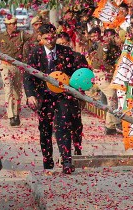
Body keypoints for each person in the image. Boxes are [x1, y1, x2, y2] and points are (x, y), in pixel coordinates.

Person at [24, 23, 87, 174]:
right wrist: (30, 95)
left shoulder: (66, 52)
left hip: (62, 96)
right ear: (40, 38)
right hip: (43, 96)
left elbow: (77, 71)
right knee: (45, 129)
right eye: (46, 38)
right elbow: (28, 76)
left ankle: (66, 160)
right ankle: (48, 162)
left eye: (52, 38)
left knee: (63, 126)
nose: (50, 41)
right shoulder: (35, 53)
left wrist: (80, 91)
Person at [0, 15, 29, 126]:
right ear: (7, 25)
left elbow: (34, 38)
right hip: (5, 66)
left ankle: (16, 114)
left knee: (17, 93)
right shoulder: (0, 37)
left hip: (18, 66)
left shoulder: (22, 35)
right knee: (8, 89)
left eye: (15, 23)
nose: (15, 25)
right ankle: (11, 116)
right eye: (12, 24)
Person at [87, 27, 122, 135]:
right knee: (111, 96)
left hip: (107, 73)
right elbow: (103, 61)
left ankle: (110, 126)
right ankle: (117, 122)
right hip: (101, 73)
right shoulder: (105, 45)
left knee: (112, 97)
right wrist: (111, 70)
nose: (117, 38)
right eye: (114, 36)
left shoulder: (115, 46)